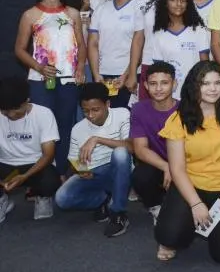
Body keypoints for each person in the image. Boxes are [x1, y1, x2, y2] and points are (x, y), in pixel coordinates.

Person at [154, 61, 220, 264]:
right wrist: (196, 204)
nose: (212, 88)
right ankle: (187, 222)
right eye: (205, 83)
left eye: (217, 82)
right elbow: (176, 169)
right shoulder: (178, 119)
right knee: (169, 236)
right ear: (194, 86)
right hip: (191, 185)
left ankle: (206, 226)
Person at [14, 0, 87, 174]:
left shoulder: (72, 13)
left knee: (65, 126)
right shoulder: (31, 15)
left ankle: (61, 173)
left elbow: (81, 45)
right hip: (40, 81)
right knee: (42, 129)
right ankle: (40, 181)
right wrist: (39, 67)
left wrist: (81, 67)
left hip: (68, 81)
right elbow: (19, 49)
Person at [55, 83, 132, 237]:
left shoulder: (122, 114)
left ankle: (118, 213)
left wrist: (97, 139)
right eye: (85, 111)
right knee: (61, 198)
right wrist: (82, 170)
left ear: (107, 104)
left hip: (120, 169)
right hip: (94, 173)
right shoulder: (78, 128)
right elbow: (74, 159)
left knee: (121, 153)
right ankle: (103, 200)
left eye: (95, 110)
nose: (90, 115)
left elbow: (131, 146)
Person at [0, 76, 60, 222]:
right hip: (5, 164)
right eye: (5, 111)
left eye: (15, 109)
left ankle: (43, 197)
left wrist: (24, 176)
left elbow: (48, 155)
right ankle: (2, 199)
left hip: (36, 164)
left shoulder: (43, 114)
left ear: (27, 100)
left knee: (50, 181)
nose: (11, 115)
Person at [87, 0, 143, 109]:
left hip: (129, 75)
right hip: (103, 76)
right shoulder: (101, 9)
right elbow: (93, 43)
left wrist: (127, 75)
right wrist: (96, 74)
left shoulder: (139, 7)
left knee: (128, 119)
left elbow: (140, 44)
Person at [130, 61, 177, 223]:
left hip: (184, 165)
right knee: (140, 176)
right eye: (153, 83)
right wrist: (166, 167)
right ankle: (155, 207)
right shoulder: (138, 109)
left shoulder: (185, 109)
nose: (158, 88)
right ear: (146, 85)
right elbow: (140, 149)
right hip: (157, 165)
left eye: (164, 83)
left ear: (174, 84)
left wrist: (175, 167)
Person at [131, 0, 183, 96]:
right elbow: (138, 39)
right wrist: (131, 73)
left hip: (180, 65)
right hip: (150, 64)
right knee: (149, 113)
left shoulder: (187, 4)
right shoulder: (144, 2)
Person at [149, 0, 210, 100]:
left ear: (188, 4)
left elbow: (205, 66)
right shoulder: (158, 34)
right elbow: (159, 69)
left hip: (194, 93)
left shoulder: (198, 30)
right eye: (173, 0)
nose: (178, 4)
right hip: (169, 96)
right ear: (166, 3)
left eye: (183, 0)